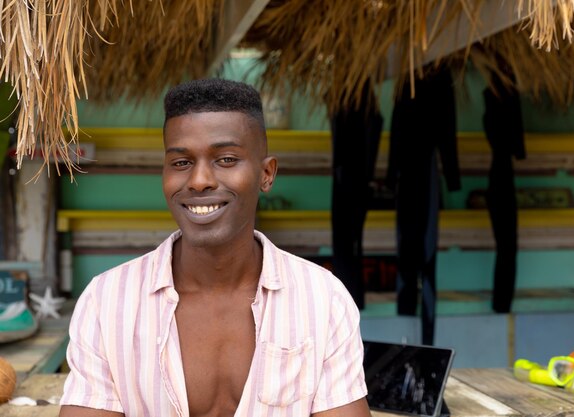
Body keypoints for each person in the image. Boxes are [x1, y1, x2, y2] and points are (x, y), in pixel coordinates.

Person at [59, 78, 371, 417]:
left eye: (225, 159)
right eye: (181, 162)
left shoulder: (324, 300)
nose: (199, 180)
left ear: (266, 174)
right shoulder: (107, 302)